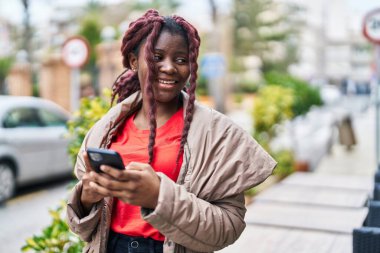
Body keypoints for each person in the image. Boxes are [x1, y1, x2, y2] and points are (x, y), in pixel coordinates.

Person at [66, 9, 276, 253]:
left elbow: (228, 227)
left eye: (180, 59)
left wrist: (158, 197)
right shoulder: (106, 130)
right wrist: (86, 197)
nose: (169, 68)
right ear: (134, 62)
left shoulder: (216, 134)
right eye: (156, 57)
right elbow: (82, 229)